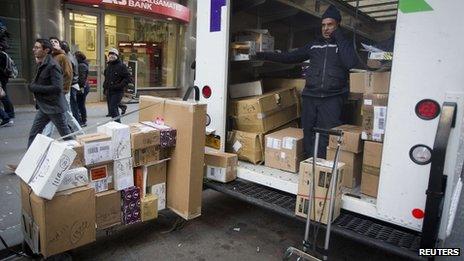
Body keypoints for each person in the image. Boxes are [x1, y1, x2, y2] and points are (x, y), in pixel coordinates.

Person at [256, 5, 358, 159]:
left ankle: (320, 166)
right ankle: (310, 163)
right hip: (311, 97)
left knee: (326, 134)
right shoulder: (314, 45)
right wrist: (263, 55)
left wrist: (339, 36)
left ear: (338, 25)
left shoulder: (344, 45)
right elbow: (290, 57)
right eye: (323, 25)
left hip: (332, 98)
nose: (326, 28)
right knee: (308, 131)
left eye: (330, 25)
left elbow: (350, 62)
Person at [28, 39, 71, 147]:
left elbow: (57, 88)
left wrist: (35, 88)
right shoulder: (41, 64)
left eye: (37, 48)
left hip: (54, 107)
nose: (34, 50)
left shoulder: (53, 66)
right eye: (34, 47)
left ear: (46, 50)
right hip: (44, 106)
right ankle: (29, 161)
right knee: (34, 134)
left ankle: (79, 156)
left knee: (67, 136)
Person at [42, 37, 82, 136]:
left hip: (61, 92)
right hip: (52, 93)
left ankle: (81, 134)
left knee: (67, 114)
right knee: (52, 115)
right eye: (51, 42)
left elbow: (68, 75)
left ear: (60, 45)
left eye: (56, 41)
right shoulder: (49, 57)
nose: (53, 43)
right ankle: (47, 138)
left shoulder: (63, 57)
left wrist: (63, 90)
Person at [103, 48, 131, 123]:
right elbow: (106, 79)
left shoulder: (121, 66)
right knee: (112, 109)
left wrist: (119, 85)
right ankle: (116, 124)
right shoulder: (108, 66)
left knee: (113, 108)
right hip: (109, 90)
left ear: (117, 56)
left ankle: (118, 124)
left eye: (113, 54)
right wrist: (104, 88)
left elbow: (128, 78)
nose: (111, 56)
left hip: (118, 91)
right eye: (110, 55)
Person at [61, 40, 81, 124]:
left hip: (71, 85)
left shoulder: (68, 58)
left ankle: (75, 123)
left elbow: (69, 74)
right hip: (73, 84)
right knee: (72, 106)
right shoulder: (71, 56)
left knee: (71, 106)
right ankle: (75, 122)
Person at [0, 22, 15, 121]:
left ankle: (8, 115)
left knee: (3, 94)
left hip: (2, 75)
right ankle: (9, 113)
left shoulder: (1, 54)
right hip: (3, 75)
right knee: (3, 93)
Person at [75, 51, 89, 127]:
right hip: (83, 87)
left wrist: (81, 87)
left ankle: (83, 120)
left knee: (80, 104)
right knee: (80, 104)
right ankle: (82, 119)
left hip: (81, 87)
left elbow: (82, 79)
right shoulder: (83, 64)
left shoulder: (81, 66)